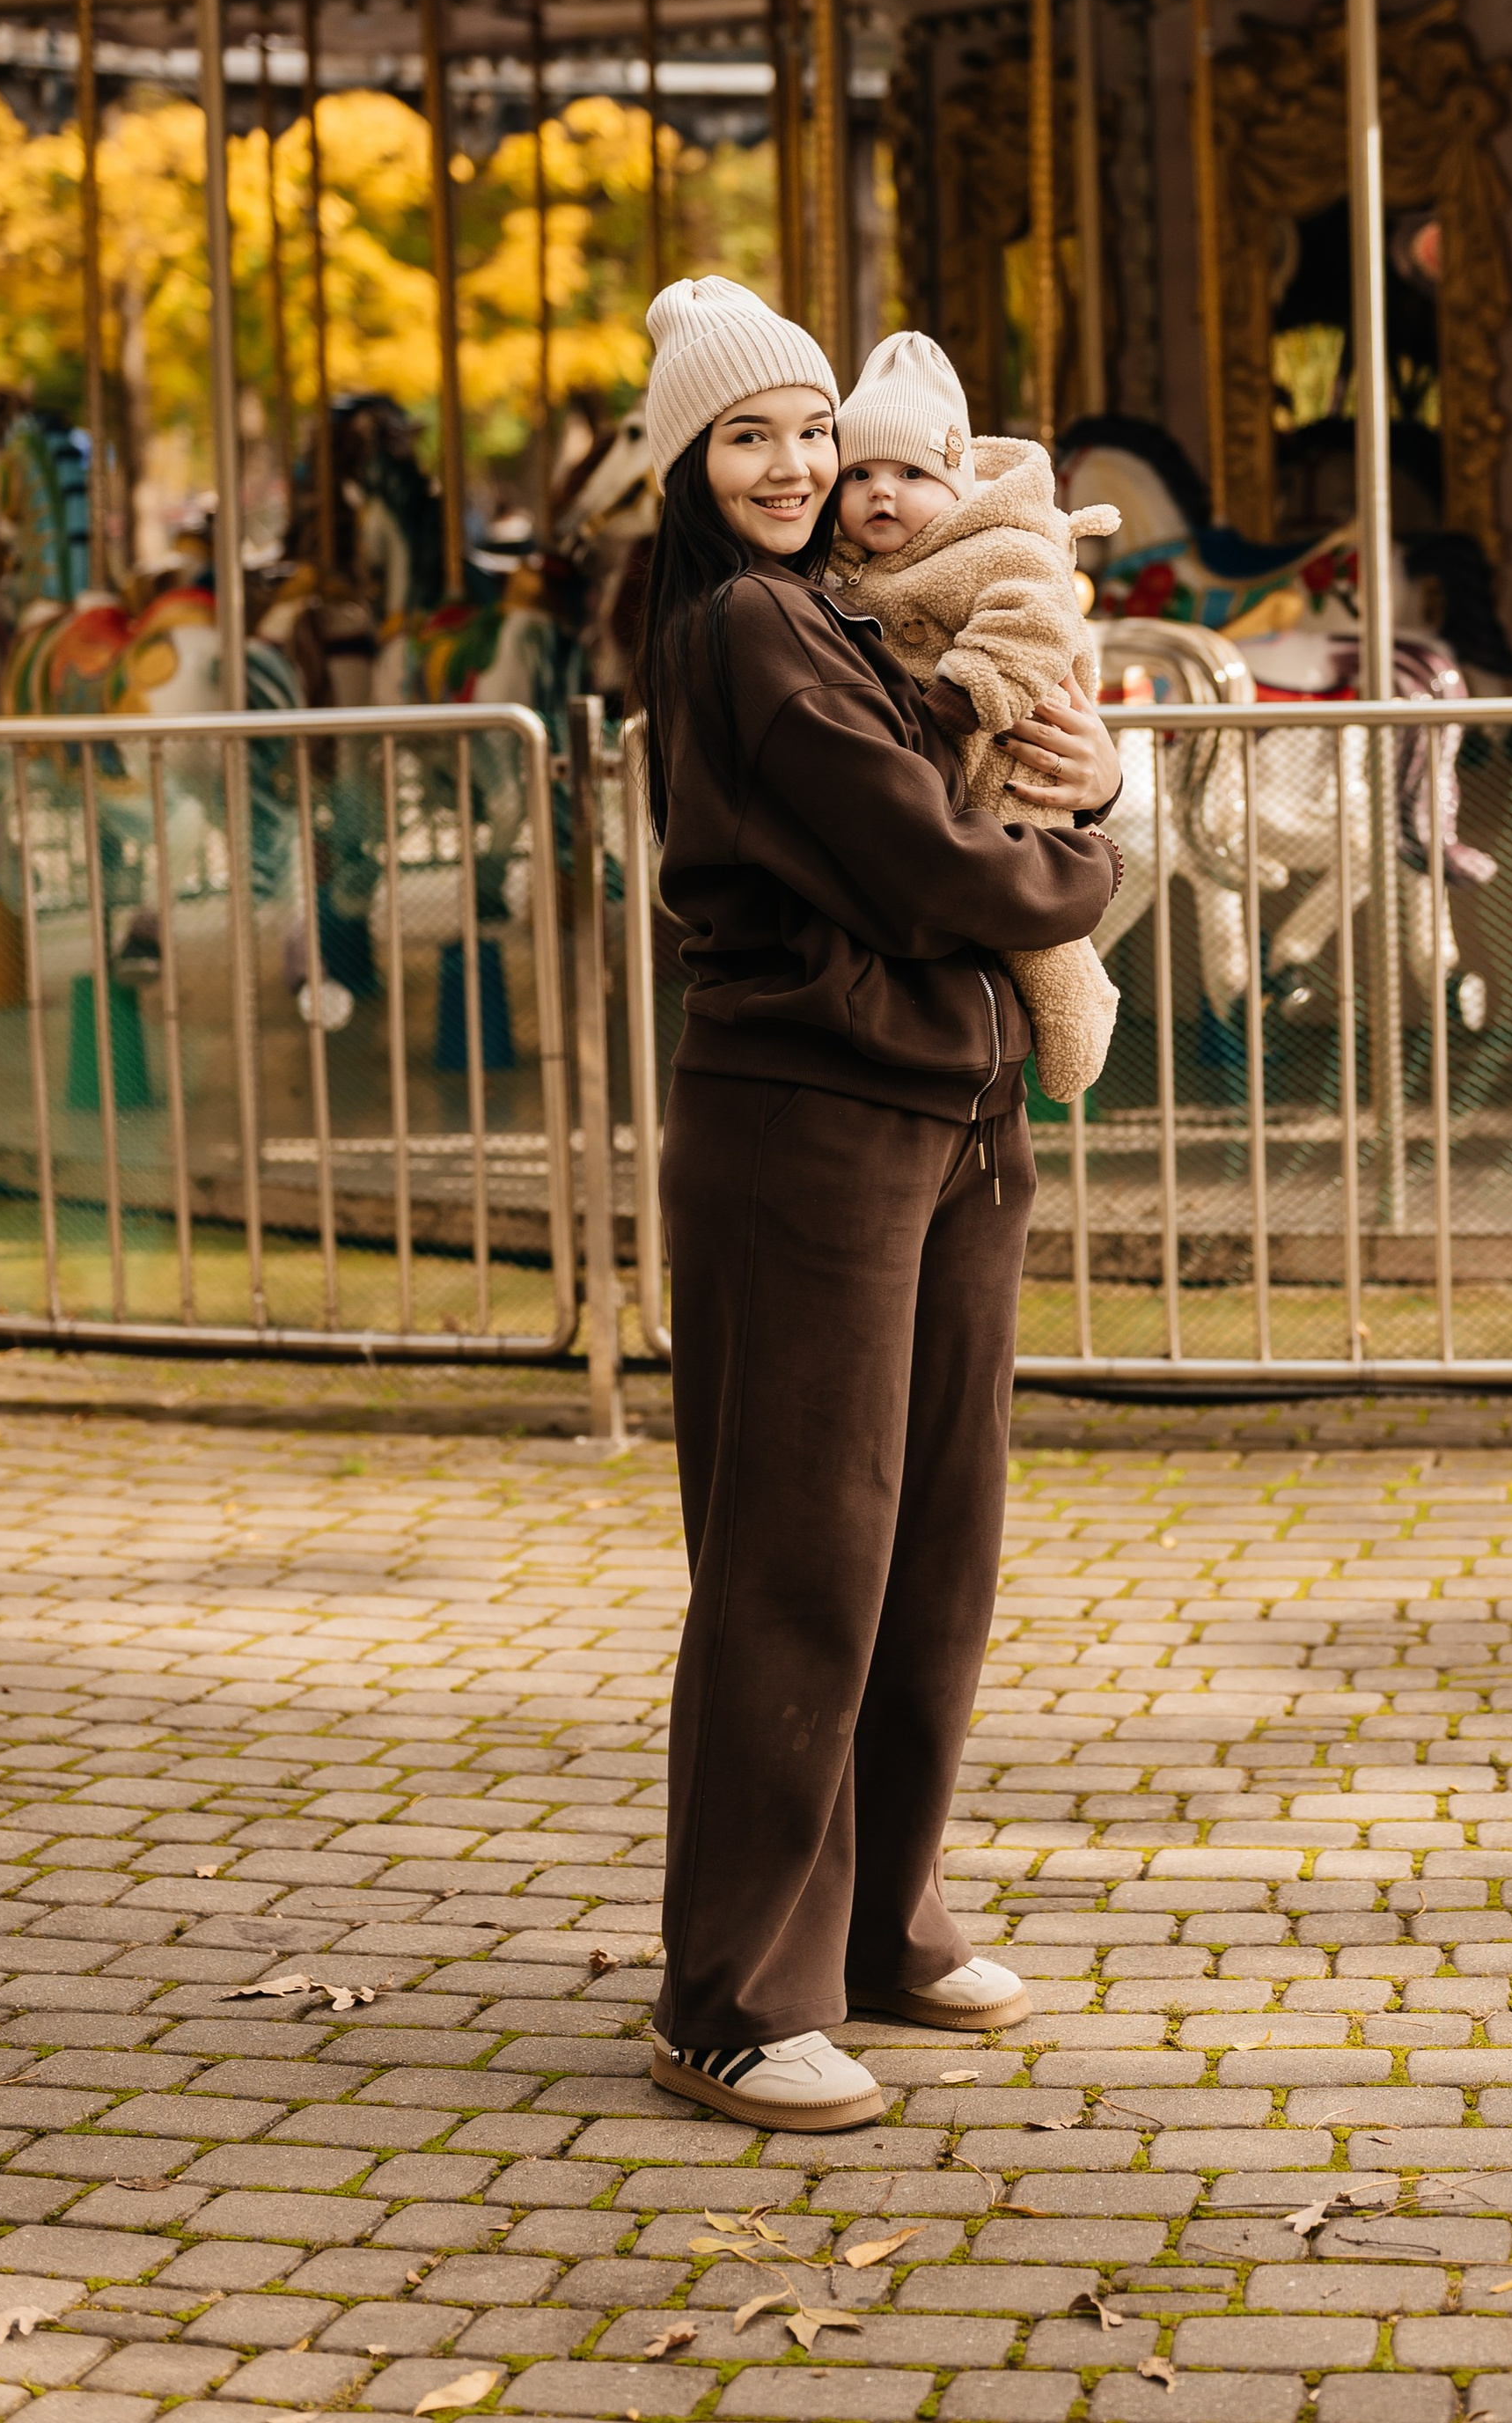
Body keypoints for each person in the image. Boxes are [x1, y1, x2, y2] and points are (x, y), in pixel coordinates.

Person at [631, 277, 1122, 2137]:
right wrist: (1084, 855)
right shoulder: (750, 625)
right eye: (748, 434)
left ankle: (879, 1926)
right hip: (806, 1126)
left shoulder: (839, 616)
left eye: (812, 427)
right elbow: (926, 864)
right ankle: (730, 1992)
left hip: (951, 1110)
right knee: (798, 1556)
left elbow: (971, 772)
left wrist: (1084, 778)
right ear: (690, 462)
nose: (794, 462)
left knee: (933, 1547)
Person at [828, 329, 1122, 1103]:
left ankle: (1079, 1014)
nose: (879, 492)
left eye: (908, 473)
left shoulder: (998, 545)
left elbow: (1034, 619)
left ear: (956, 482)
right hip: (937, 779)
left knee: (1028, 919)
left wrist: (966, 693)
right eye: (857, 474)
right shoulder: (850, 568)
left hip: (1006, 749)